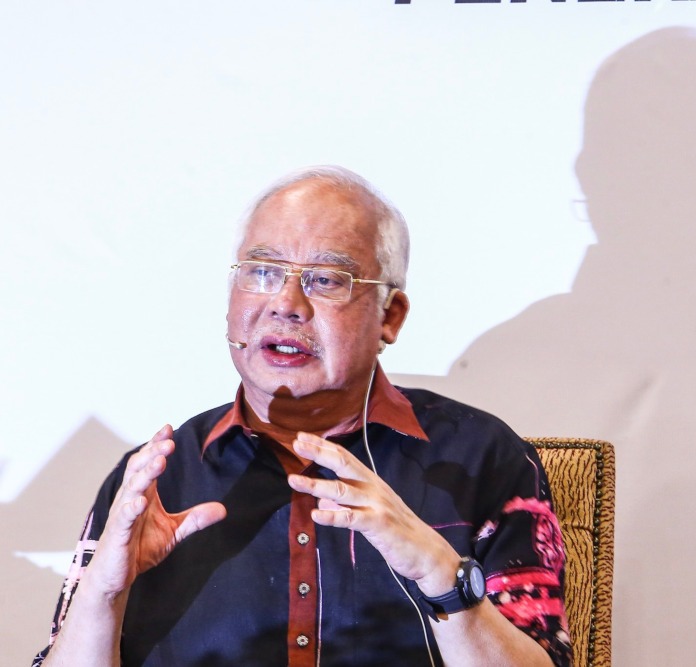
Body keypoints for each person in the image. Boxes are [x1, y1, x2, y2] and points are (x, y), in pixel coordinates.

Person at [34, 166, 571, 666]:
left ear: (391, 315)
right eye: (262, 272)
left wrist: (441, 574)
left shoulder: (480, 458)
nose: (286, 302)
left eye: (326, 280)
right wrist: (103, 594)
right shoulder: (158, 477)